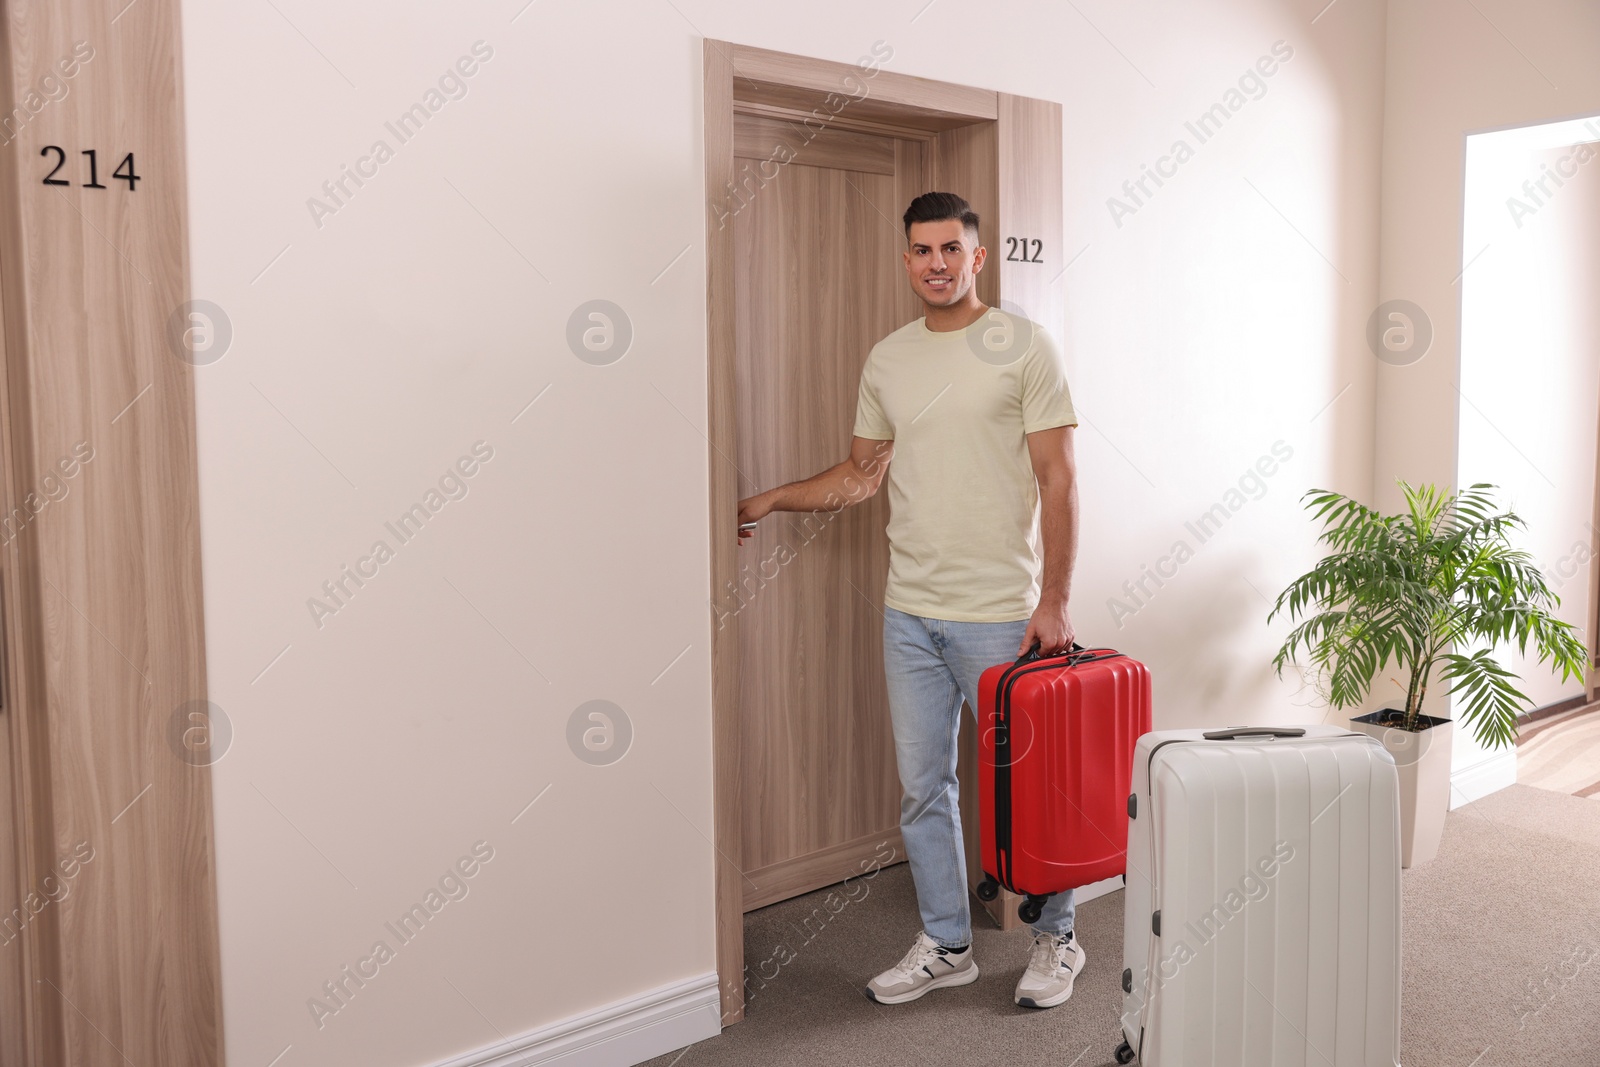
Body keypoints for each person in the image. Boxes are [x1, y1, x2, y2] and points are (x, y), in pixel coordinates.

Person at [735, 191, 1084, 1008]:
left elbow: (1059, 478)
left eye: (950, 250)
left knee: (1029, 785)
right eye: (922, 251)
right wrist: (769, 500)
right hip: (910, 613)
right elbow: (860, 474)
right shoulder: (888, 358)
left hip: (1001, 612)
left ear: (977, 256)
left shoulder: (1024, 346)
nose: (936, 264)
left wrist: (1055, 599)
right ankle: (948, 941)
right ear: (907, 260)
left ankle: (1056, 937)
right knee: (925, 786)